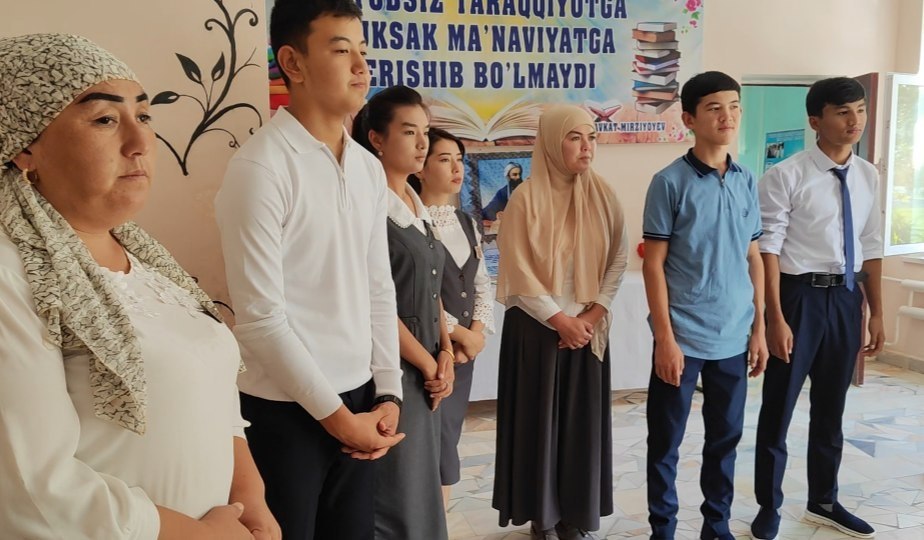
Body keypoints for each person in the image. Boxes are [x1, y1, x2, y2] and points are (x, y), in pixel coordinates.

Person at [0, 33, 279, 539]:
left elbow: (210, 395)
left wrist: (250, 495)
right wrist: (203, 535)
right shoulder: (12, 273)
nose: (141, 142)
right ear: (24, 146)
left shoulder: (149, 262)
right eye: (105, 119)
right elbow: (32, 487)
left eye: (144, 116)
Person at [214, 1, 406, 539]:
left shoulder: (367, 168)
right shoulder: (261, 167)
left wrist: (388, 393)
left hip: (361, 398)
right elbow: (260, 320)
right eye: (341, 51)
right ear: (293, 63)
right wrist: (340, 421)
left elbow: (378, 287)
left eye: (362, 51)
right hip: (286, 410)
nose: (361, 67)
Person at [751, 77, 884, 540]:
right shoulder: (785, 175)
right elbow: (768, 250)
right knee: (779, 407)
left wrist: (876, 311)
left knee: (832, 407)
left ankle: (824, 500)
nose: (855, 121)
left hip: (846, 297)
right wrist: (773, 317)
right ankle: (769, 506)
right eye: (843, 112)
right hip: (797, 298)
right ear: (815, 120)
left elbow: (871, 245)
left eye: (860, 110)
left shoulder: (868, 176)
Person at [642, 71, 768, 540]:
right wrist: (665, 339)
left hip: (733, 337)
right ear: (689, 119)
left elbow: (753, 257)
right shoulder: (668, 182)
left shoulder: (746, 179)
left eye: (734, 106)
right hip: (683, 337)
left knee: (725, 440)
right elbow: (654, 265)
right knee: (666, 442)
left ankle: (717, 527)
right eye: (714, 108)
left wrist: (758, 327)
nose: (727, 116)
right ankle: (663, 529)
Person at [493, 105, 628, 540]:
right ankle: (543, 517)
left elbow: (618, 259)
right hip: (538, 333)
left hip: (587, 331)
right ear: (553, 142)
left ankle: (575, 514)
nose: (587, 147)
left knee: (580, 429)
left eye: (592, 137)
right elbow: (517, 269)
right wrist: (559, 320)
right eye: (575, 137)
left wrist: (590, 316)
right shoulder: (525, 198)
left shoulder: (604, 195)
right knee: (539, 428)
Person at [352, 85, 453, 540]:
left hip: (429, 364)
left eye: (425, 132)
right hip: (394, 366)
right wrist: (429, 363)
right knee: (397, 495)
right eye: (409, 132)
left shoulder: (416, 202)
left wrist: (445, 350)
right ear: (376, 138)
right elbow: (374, 301)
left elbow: (433, 290)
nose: (422, 143)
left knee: (423, 487)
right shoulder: (370, 204)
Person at [413, 127, 496, 507]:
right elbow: (417, 295)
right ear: (420, 167)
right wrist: (462, 336)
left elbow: (481, 284)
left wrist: (476, 336)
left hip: (464, 358)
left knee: (449, 438)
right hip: (427, 353)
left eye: (459, 160)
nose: (456, 168)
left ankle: (440, 519)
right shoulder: (410, 223)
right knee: (432, 444)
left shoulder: (466, 221)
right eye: (444, 159)